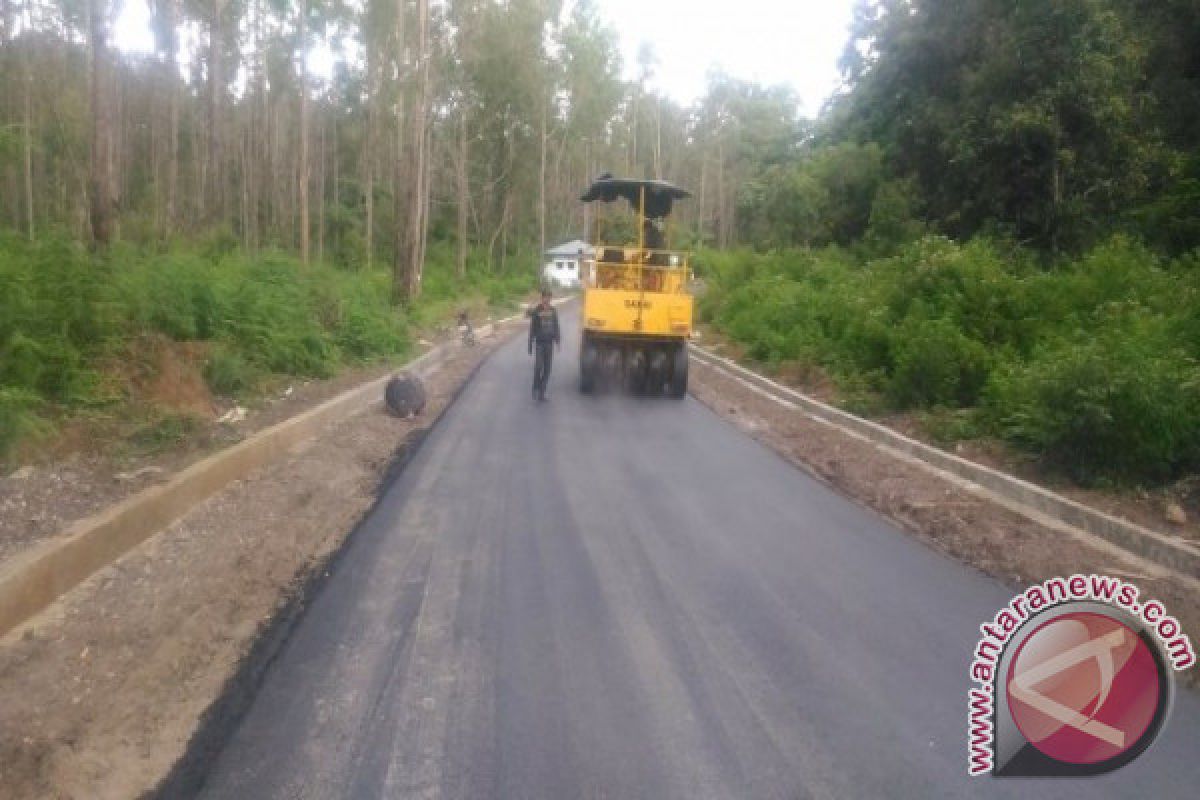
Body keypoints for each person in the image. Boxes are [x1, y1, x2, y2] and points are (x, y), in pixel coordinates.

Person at [528, 289, 561, 401]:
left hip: (549, 344)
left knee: (547, 370)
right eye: (545, 297)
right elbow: (532, 327)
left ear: (550, 299)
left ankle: (542, 393)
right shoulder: (537, 310)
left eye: (549, 297)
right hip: (540, 343)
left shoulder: (553, 311)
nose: (547, 299)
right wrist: (530, 344)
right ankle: (535, 387)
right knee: (538, 367)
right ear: (542, 298)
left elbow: (556, 326)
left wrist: (558, 341)